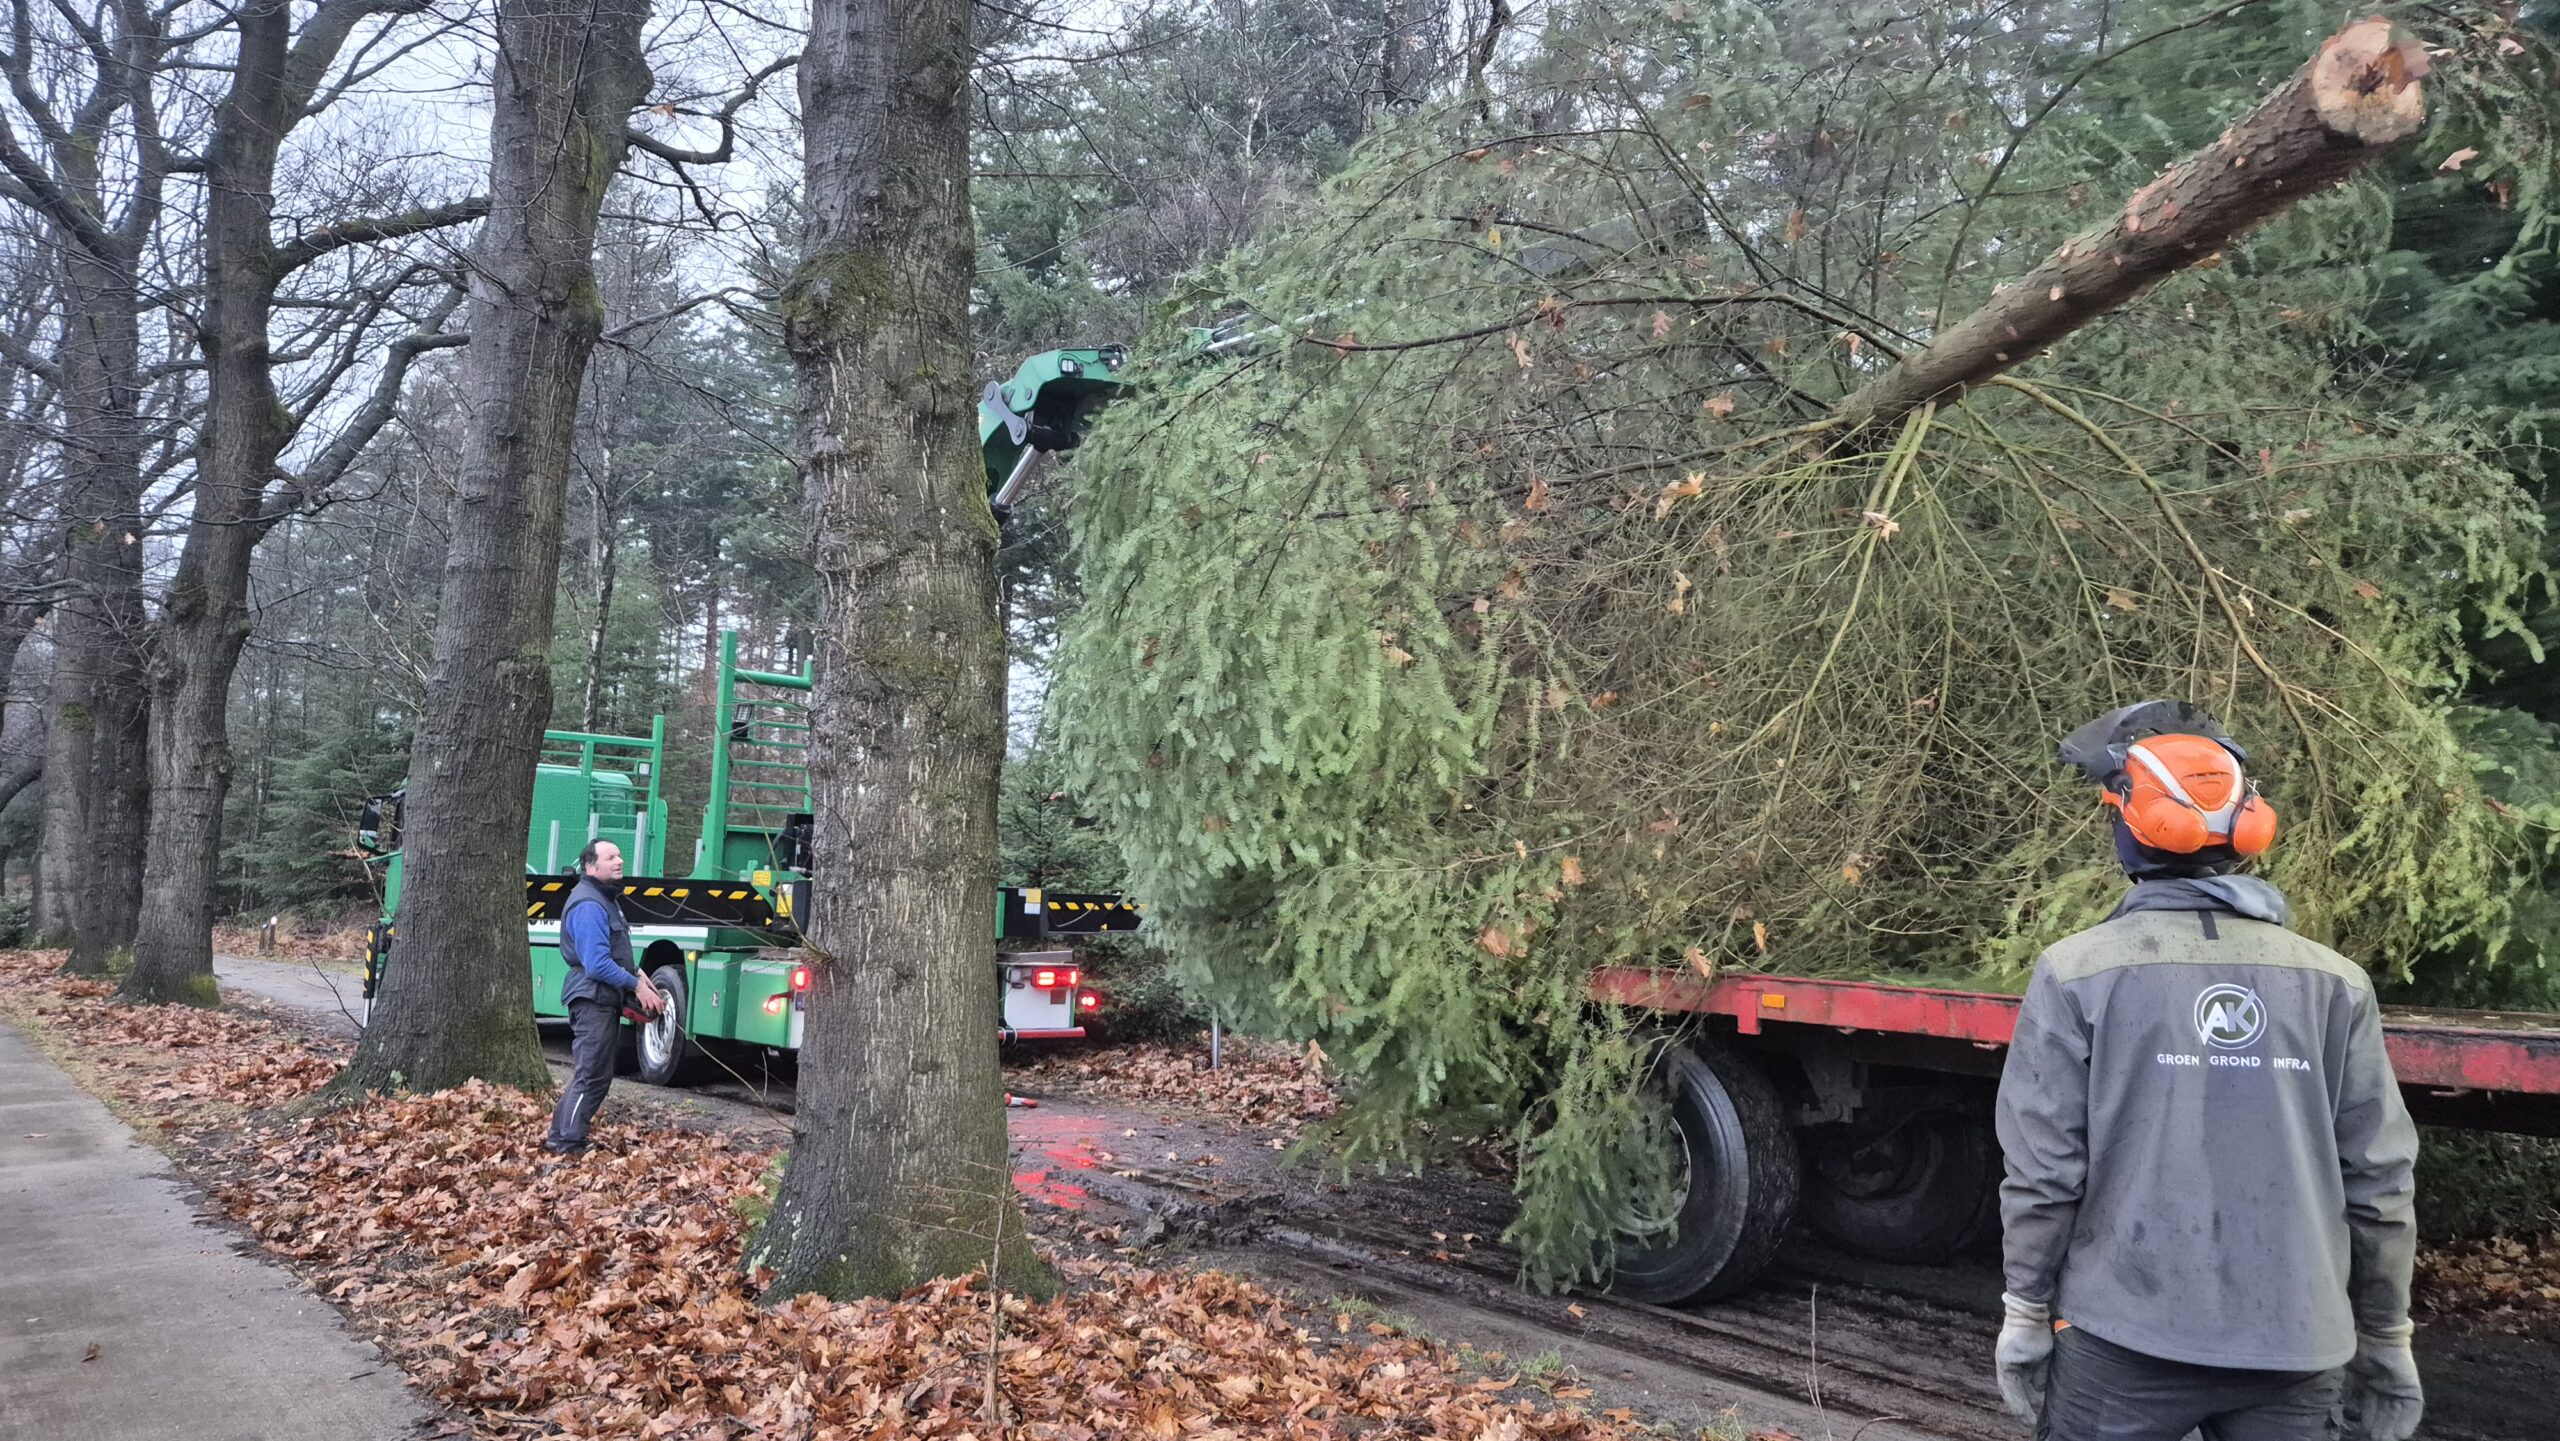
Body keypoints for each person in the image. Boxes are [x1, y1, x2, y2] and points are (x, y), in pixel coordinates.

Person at [1993, 701, 2421, 1441]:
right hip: (2297, 1344)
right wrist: (2387, 1333)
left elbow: (2044, 1172)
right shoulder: (2336, 982)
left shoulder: (2078, 974)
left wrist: (2027, 1313)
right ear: (2248, 831)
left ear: (2129, 827)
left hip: (2122, 1344)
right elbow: (2380, 1181)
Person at [543, 838, 664, 1155]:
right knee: (592, 1075)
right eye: (610, 857)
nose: (619, 860)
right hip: (592, 999)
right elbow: (596, 964)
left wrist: (638, 974)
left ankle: (562, 1136)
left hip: (600, 997)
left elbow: (612, 953)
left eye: (620, 855)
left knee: (592, 1074)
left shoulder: (604, 898)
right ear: (590, 866)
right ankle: (567, 1143)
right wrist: (634, 986)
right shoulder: (589, 905)